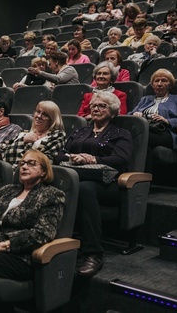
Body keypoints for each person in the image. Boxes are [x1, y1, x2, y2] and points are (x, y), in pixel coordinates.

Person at [0, 150, 65, 312]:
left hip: (19, 256)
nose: (24, 167)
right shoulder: (6, 190)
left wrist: (5, 244)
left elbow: (43, 232)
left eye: (31, 163)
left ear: (44, 171)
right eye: (22, 163)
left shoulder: (52, 195)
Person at [56, 92, 132, 277]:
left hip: (107, 183)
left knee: (83, 187)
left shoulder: (121, 133)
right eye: (94, 105)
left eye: (102, 106)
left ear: (113, 111)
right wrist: (74, 157)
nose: (96, 108)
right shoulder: (80, 131)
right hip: (78, 176)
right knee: (71, 182)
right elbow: (59, 154)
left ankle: (94, 253)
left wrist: (92, 159)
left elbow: (120, 158)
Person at [130, 69, 177, 171]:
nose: (159, 84)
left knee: (139, 138)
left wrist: (168, 121)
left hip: (165, 131)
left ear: (170, 85)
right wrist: (135, 114)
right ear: (152, 85)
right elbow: (129, 114)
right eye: (156, 81)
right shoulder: (145, 99)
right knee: (144, 144)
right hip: (144, 128)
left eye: (164, 80)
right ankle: (144, 177)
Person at [0, 101, 66, 169]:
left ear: (52, 119)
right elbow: (3, 151)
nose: (39, 116)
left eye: (45, 114)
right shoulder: (25, 133)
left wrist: (14, 150)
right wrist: (24, 140)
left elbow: (40, 160)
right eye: (38, 111)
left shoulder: (57, 135)